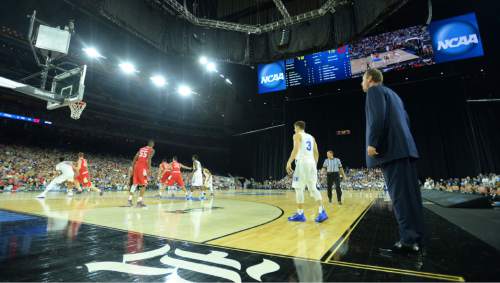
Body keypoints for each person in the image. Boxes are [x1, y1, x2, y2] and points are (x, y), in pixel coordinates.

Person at [362, 68, 423, 254]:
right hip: (406, 149)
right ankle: (417, 237)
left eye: (362, 80)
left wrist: (373, 142)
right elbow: (406, 120)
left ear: (370, 79)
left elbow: (377, 118)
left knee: (399, 197)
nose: (361, 84)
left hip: (392, 152)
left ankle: (407, 241)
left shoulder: (374, 91)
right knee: (412, 197)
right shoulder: (394, 95)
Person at [286, 121, 328, 223]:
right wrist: (314, 164)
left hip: (302, 163)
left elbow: (295, 149)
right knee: (313, 188)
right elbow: (316, 153)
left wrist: (289, 162)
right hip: (312, 164)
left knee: (298, 188)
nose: (294, 130)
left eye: (294, 128)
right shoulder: (311, 137)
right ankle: (322, 211)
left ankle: (300, 214)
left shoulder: (297, 135)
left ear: (297, 127)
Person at [128, 140, 155, 207]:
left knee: (135, 184)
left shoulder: (141, 149)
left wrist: (132, 166)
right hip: (142, 168)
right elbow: (149, 159)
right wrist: (149, 169)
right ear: (153, 145)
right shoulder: (152, 150)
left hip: (136, 166)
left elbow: (135, 157)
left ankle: (129, 200)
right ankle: (139, 202)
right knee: (144, 185)